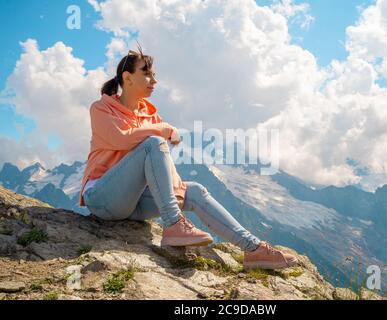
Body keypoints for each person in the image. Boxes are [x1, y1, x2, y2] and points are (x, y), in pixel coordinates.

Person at [79, 45, 298, 270]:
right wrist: (163, 129)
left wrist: (180, 190)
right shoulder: (102, 108)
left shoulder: (151, 115)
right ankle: (173, 223)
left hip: (131, 205)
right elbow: (121, 139)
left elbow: (161, 165)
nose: (154, 81)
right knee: (154, 142)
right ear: (127, 78)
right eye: (146, 74)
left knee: (194, 190)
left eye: (154, 75)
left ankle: (254, 250)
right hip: (102, 199)